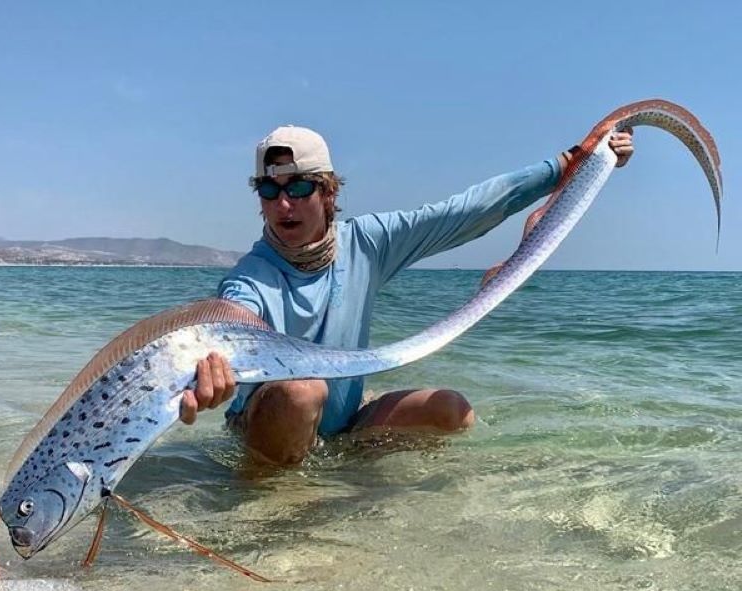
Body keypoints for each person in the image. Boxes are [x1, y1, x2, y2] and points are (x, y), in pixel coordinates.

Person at [179, 124, 634, 465]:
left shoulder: (367, 242)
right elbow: (233, 319)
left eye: (299, 187)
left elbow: (467, 210)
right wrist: (211, 370)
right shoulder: (251, 276)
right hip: (266, 426)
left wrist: (572, 162)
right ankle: (273, 499)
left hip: (344, 423)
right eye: (269, 190)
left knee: (450, 411)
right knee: (301, 391)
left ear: (329, 192)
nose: (284, 204)